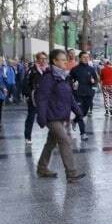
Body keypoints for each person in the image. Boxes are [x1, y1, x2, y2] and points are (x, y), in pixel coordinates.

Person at [36, 49, 86, 183]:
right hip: (51, 116)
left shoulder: (63, 77)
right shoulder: (49, 77)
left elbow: (69, 98)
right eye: (62, 60)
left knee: (51, 143)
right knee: (65, 140)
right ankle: (71, 173)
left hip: (60, 115)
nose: (65, 62)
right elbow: (42, 98)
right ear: (54, 61)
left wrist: (78, 112)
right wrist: (41, 117)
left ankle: (42, 168)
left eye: (66, 59)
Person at [70, 51, 97, 141]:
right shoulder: (75, 69)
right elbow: (69, 80)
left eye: (87, 57)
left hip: (89, 94)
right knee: (80, 113)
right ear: (80, 58)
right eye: (84, 57)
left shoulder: (91, 69)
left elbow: (96, 80)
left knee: (84, 113)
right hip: (78, 94)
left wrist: (93, 85)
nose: (86, 59)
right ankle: (83, 133)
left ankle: (74, 121)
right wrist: (73, 85)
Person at [23, 52, 48, 144]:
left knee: (50, 117)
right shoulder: (32, 70)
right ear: (37, 59)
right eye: (41, 58)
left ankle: (54, 137)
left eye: (45, 58)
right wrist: (29, 95)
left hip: (45, 98)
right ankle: (27, 136)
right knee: (31, 116)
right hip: (34, 98)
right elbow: (26, 83)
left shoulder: (48, 70)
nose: (44, 60)